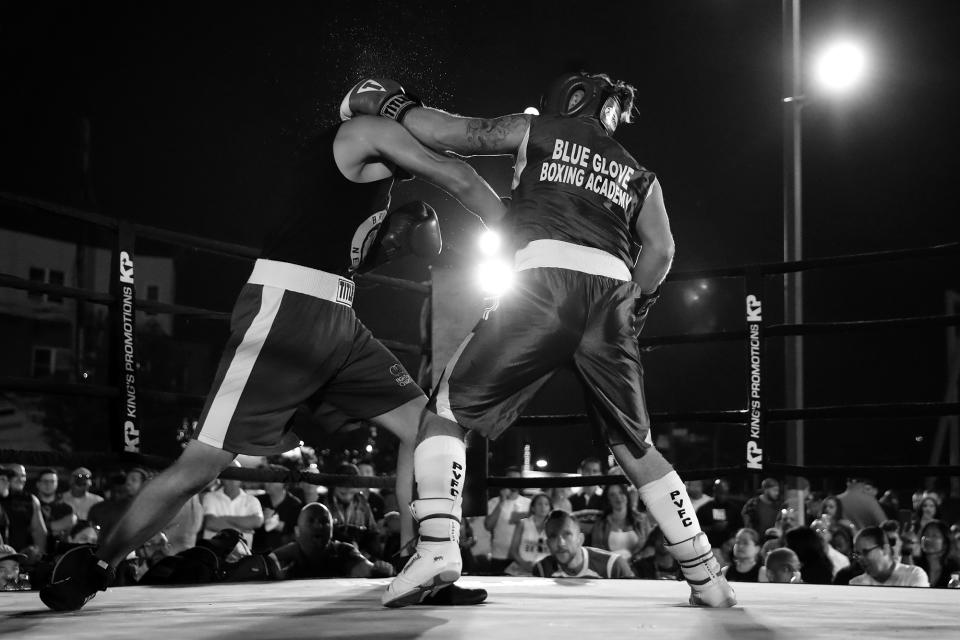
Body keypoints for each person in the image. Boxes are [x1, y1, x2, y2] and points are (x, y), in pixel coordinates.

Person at [39, 105, 505, 611]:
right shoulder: (359, 133)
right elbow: (454, 169)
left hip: (340, 319)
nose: (416, 134)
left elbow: (342, 245)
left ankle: (426, 561)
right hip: (286, 310)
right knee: (203, 462)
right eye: (409, 118)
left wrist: (388, 244)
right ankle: (98, 563)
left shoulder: (369, 179)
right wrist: (518, 224)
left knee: (431, 427)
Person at [342, 73, 735, 608]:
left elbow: (458, 133)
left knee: (444, 415)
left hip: (545, 279)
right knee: (634, 445)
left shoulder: (539, 129)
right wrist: (633, 306)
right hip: (612, 295)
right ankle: (707, 577)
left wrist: (392, 105)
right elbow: (662, 251)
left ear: (569, 100)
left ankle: (436, 547)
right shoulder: (641, 176)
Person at [532, 509, 634, 579]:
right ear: (548, 544)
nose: (560, 543)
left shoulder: (613, 565)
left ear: (580, 539)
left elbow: (636, 604)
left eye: (567, 535)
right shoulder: (542, 569)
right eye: (553, 536)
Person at [484, 468, 531, 574]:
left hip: (521, 557)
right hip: (498, 556)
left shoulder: (528, 503)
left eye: (516, 479)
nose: (513, 482)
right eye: (510, 479)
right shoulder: (494, 502)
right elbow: (488, 525)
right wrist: (502, 501)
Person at [849, 526, 929, 587]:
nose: (860, 559)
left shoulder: (913, 575)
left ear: (885, 549)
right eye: (857, 554)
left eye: (866, 552)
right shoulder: (856, 584)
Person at [505, 492, 552, 576]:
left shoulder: (553, 526)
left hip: (545, 570)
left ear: (550, 508)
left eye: (546, 504)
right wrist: (524, 564)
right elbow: (513, 550)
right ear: (533, 508)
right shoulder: (523, 523)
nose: (543, 507)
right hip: (521, 568)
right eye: (539, 504)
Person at [915, 520, 960, 588]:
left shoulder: (955, 568)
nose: (928, 539)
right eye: (925, 535)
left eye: (934, 535)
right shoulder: (915, 565)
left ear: (945, 542)